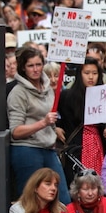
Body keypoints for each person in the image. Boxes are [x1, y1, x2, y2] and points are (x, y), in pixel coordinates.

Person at [7, 46, 70, 204]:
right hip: (27, 150)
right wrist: (43, 123)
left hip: (48, 147)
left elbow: (50, 116)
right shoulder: (18, 93)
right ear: (23, 67)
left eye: (38, 64)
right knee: (30, 201)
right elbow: (15, 131)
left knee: (63, 198)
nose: (35, 69)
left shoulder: (47, 88)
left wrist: (54, 128)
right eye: (30, 65)